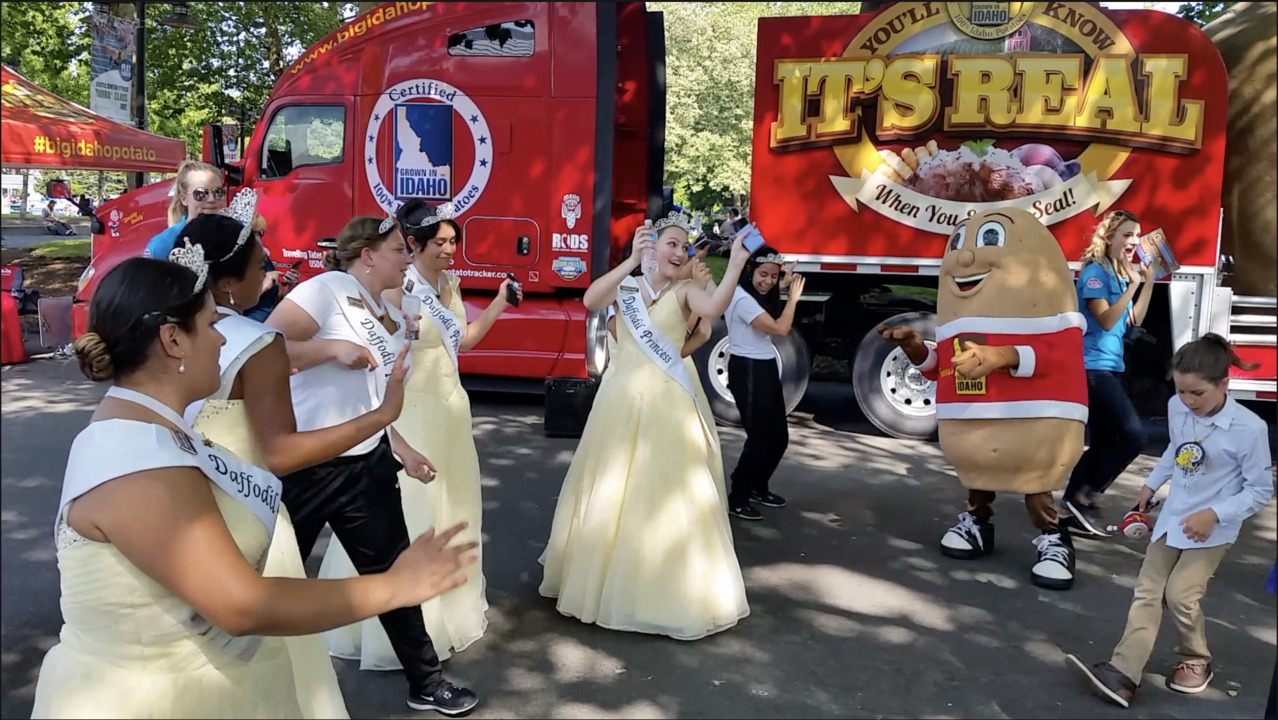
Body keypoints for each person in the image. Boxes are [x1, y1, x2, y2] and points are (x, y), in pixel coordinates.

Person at [30, 256, 477, 719]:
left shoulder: (153, 430)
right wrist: (395, 586)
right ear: (173, 339)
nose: (223, 337)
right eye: (210, 324)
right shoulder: (134, 461)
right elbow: (241, 605)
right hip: (157, 701)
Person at [175, 190, 418, 717]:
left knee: (205, 619)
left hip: (193, 484)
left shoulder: (172, 334)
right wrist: (379, 415)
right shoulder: (250, 339)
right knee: (258, 608)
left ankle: (425, 675)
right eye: (261, 267)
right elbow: (281, 450)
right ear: (226, 282)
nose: (269, 278)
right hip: (261, 484)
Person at [265, 215, 479, 714]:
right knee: (278, 574)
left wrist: (400, 447)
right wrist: (327, 348)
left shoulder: (383, 307)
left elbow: (369, 397)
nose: (409, 258)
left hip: (367, 462)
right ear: (368, 255)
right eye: (399, 250)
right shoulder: (325, 290)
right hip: (308, 463)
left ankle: (426, 681)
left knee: (393, 568)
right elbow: (265, 351)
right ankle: (255, 681)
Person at [319, 200, 519, 666]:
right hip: (415, 410)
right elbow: (380, 351)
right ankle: (399, 623)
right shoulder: (395, 289)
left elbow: (462, 340)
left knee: (455, 508)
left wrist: (498, 305)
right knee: (413, 515)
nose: (451, 249)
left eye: (454, 241)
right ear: (415, 244)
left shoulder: (448, 283)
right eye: (442, 242)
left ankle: (446, 605)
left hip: (452, 408)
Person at [539, 211, 752, 641]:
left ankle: (663, 590)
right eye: (669, 243)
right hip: (619, 400)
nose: (678, 251)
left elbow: (712, 310)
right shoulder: (629, 287)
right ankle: (601, 582)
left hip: (666, 405)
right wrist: (629, 261)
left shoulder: (688, 291)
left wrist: (735, 266)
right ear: (652, 248)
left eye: (683, 246)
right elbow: (590, 300)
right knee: (613, 488)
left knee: (664, 491)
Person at [1065, 334, 1273, 708]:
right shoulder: (1178, 407)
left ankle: (1195, 658)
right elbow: (1176, 450)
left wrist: (1215, 514)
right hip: (1173, 517)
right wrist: (1152, 483)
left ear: (1224, 384)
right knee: (1148, 590)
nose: (1188, 402)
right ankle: (1123, 673)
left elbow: (1260, 490)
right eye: (1181, 391)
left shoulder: (1250, 429)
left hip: (1214, 528)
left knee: (1180, 595)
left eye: (1198, 393)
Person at [1059, 210, 1157, 537]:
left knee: (1104, 441)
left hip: (1111, 366)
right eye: (1127, 234)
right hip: (1091, 367)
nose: (1134, 242)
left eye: (1137, 235)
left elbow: (1132, 321)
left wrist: (1147, 284)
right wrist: (1131, 286)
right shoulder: (1095, 274)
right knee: (1133, 435)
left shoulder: (1119, 273)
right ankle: (1085, 495)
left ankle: (1071, 506)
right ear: (1109, 237)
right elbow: (1104, 319)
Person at [724, 245, 806, 520]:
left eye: (773, 276)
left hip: (765, 366)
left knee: (779, 437)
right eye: (763, 274)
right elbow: (780, 329)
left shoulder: (756, 294)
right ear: (749, 271)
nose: (768, 281)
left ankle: (758, 486)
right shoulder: (741, 298)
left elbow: (769, 304)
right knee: (759, 439)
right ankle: (737, 497)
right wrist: (793, 299)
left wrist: (780, 287)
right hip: (746, 368)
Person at [144, 160, 226, 260]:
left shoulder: (236, 234)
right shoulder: (162, 244)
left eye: (218, 192)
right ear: (184, 199)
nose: (212, 199)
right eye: (201, 193)